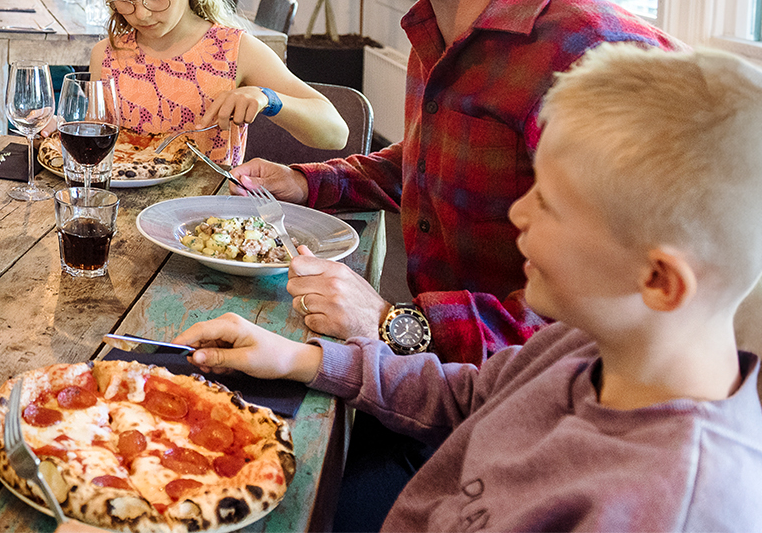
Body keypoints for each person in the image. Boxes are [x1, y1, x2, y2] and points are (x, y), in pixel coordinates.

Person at [179, 44, 762, 532]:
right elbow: (469, 398)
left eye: (549, 203)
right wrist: (299, 359)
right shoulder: (584, 348)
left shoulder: (672, 506)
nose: (519, 213)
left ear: (658, 281)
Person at [234, 0, 681, 365]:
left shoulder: (599, 58)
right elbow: (430, 167)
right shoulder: (439, 21)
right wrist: (305, 182)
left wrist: (392, 323)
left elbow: (609, 317)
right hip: (433, 377)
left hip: (529, 415)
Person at [93, 0, 347, 165]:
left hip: (208, 204)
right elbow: (96, 150)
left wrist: (267, 98)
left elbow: (336, 133)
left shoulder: (234, 51)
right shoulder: (106, 55)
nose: (141, 14)